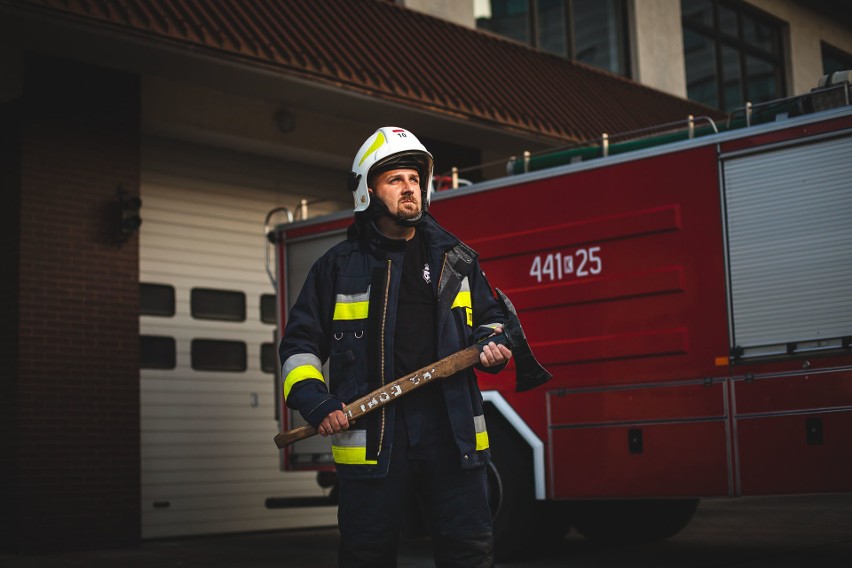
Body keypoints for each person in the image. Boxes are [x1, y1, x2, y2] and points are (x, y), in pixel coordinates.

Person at [279, 126, 512, 568]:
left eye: (414, 179)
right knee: (367, 554)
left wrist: (493, 342)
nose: (409, 189)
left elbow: (492, 320)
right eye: (395, 179)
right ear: (368, 190)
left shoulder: (457, 258)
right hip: (374, 437)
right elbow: (300, 345)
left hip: (452, 433)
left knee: (470, 552)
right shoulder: (337, 268)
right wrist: (315, 400)